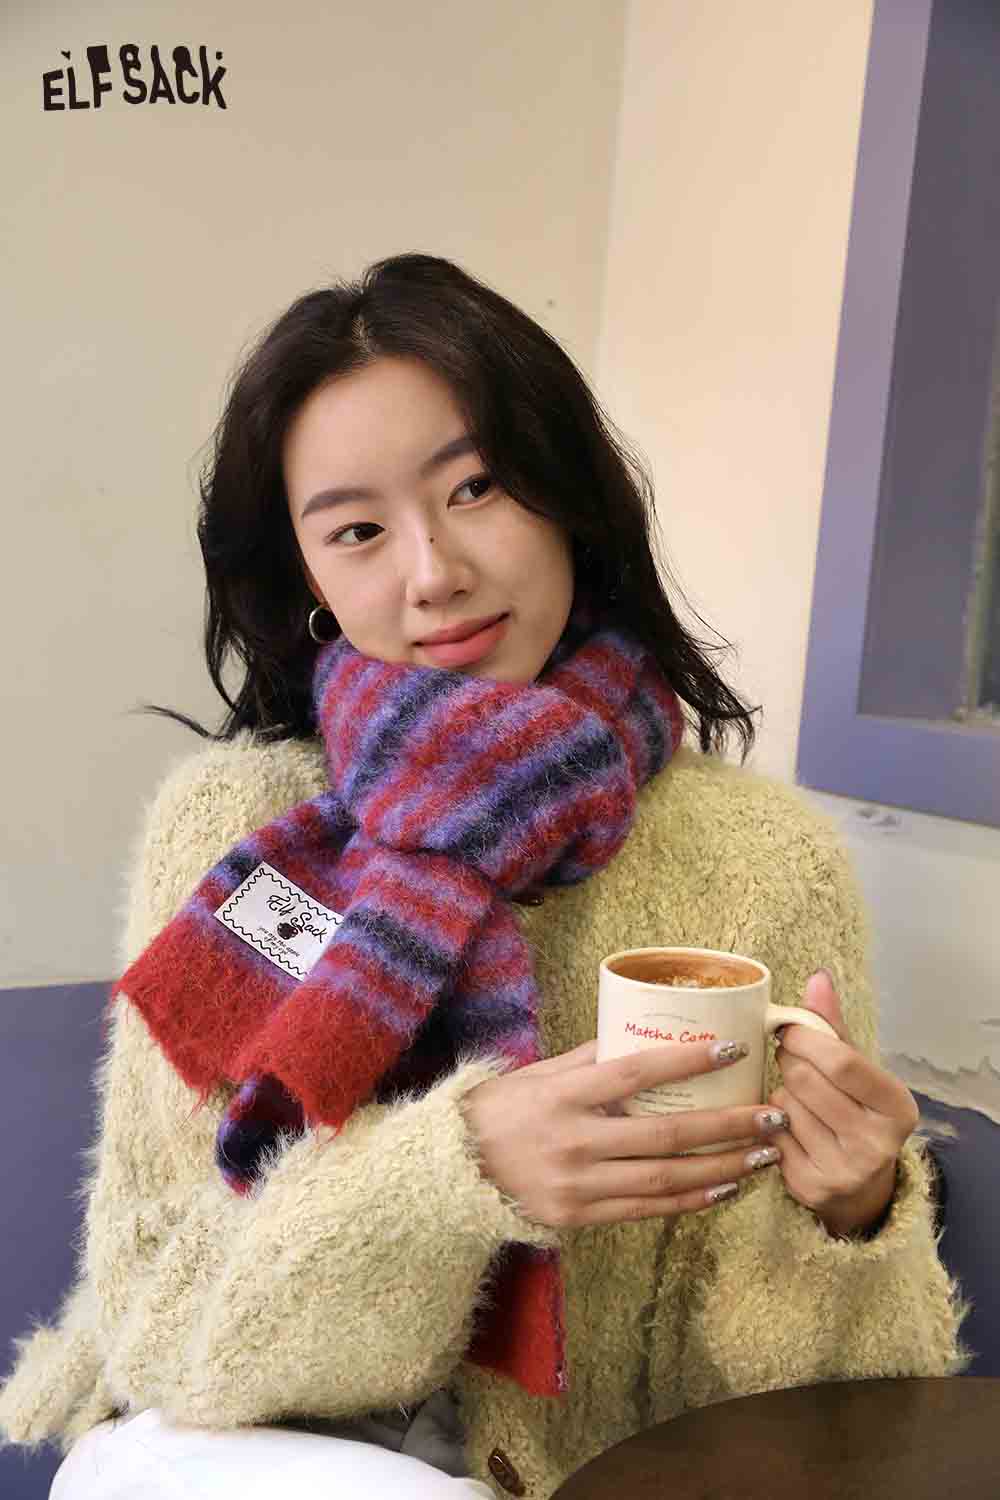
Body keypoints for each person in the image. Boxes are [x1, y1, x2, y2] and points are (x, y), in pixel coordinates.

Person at [0, 253, 967, 1500]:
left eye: (476, 487)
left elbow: (826, 1424)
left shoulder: (762, 863)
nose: (433, 571)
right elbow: (157, 1322)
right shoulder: (235, 832)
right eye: (357, 530)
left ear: (570, 499)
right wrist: (455, 1176)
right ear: (305, 577)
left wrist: (850, 1215)